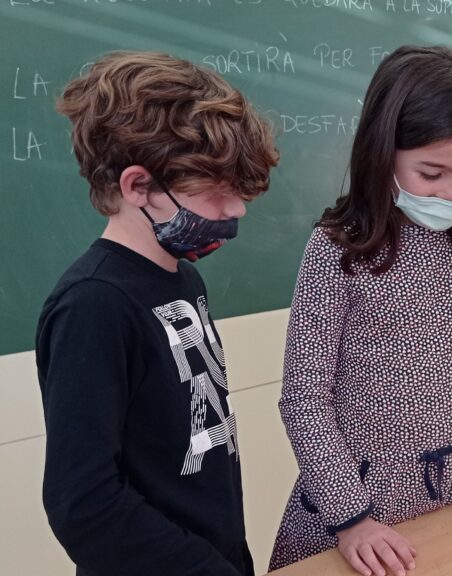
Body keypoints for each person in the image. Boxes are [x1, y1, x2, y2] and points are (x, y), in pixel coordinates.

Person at [270, 45, 452, 576]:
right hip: (349, 513)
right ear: (383, 156)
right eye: (431, 174)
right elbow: (304, 399)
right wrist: (352, 518)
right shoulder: (337, 249)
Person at [36, 51, 279, 575]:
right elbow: (84, 505)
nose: (236, 209)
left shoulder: (184, 278)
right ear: (137, 186)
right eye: (216, 192)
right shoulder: (92, 306)